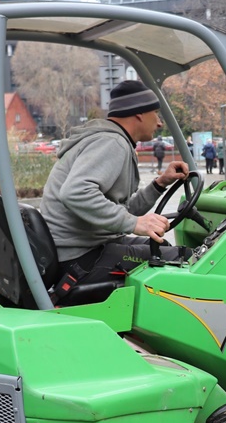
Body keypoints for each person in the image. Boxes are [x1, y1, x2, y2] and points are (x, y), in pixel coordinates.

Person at [40, 79, 189, 291]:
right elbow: (75, 193)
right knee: (184, 259)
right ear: (139, 114)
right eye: (156, 113)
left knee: (163, 247)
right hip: (79, 259)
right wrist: (136, 223)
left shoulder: (109, 140)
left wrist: (160, 183)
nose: (159, 123)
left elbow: (118, 212)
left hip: (83, 249)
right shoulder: (112, 142)